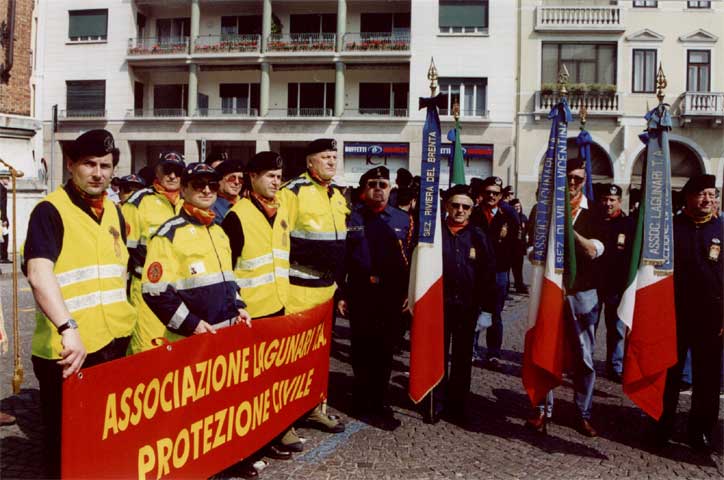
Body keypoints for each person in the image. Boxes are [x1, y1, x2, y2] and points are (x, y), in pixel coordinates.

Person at [23, 129, 137, 477]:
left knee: (104, 437)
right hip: (68, 351)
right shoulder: (49, 211)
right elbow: (39, 273)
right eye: (89, 164)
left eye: (105, 165)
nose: (98, 173)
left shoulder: (115, 212)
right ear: (71, 164)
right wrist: (67, 328)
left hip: (113, 344)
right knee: (66, 448)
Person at [140, 162, 264, 478]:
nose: (207, 190)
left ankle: (231, 458)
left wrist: (239, 305)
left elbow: (228, 278)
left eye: (211, 184)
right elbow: (155, 292)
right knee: (195, 414)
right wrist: (192, 325)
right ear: (183, 190)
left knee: (225, 406)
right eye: (198, 185)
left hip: (225, 339)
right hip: (191, 342)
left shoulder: (219, 231)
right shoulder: (168, 235)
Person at [222, 151, 301, 455]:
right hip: (251, 313)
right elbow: (227, 269)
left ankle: (277, 429)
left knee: (275, 376)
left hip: (279, 305)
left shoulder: (280, 212)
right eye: (270, 176)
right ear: (251, 178)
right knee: (252, 382)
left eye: (279, 177)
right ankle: (256, 440)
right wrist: (237, 305)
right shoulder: (236, 216)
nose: (276, 182)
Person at [525, 156, 605, 438]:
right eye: (568, 177)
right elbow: (532, 249)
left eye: (578, 179)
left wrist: (567, 233)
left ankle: (583, 413)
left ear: (585, 181)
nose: (572, 183)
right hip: (550, 290)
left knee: (584, 357)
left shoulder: (594, 211)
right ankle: (541, 409)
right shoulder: (542, 210)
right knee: (545, 347)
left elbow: (595, 250)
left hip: (582, 293)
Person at [280, 138, 348, 434]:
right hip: (299, 287)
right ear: (310, 162)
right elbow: (280, 240)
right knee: (293, 356)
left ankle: (315, 408)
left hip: (326, 289)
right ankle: (286, 419)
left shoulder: (337, 195)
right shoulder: (293, 192)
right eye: (325, 157)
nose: (332, 162)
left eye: (334, 156)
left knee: (319, 357)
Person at [337, 166, 412, 430]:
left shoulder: (404, 220)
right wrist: (342, 294)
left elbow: (412, 261)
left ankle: (379, 400)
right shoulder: (350, 218)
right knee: (360, 348)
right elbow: (342, 258)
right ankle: (361, 399)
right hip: (361, 292)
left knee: (384, 349)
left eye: (383, 184)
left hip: (391, 295)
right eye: (372, 184)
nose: (378, 189)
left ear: (390, 188)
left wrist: (408, 293)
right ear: (363, 190)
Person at [655, 174, 722, 452]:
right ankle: (660, 425)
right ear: (687, 198)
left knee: (707, 378)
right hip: (675, 313)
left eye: (712, 193)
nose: (708, 199)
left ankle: (701, 431)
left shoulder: (721, 229)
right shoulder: (671, 229)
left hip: (712, 318)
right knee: (669, 373)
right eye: (701, 194)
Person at [437, 184, 495, 423]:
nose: (459, 210)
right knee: (438, 356)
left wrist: (488, 310)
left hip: (467, 306)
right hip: (439, 305)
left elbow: (488, 273)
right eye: (455, 205)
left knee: (462, 358)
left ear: (472, 210)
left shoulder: (478, 235)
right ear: (446, 206)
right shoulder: (436, 233)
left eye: (465, 207)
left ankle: (458, 406)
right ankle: (436, 403)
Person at [122, 151, 185, 354]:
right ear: (157, 171)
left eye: (178, 171)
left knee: (175, 349)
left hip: (180, 291)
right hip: (147, 290)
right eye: (167, 170)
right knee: (147, 349)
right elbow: (123, 253)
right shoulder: (139, 202)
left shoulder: (187, 203)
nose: (173, 176)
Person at [472, 176, 519, 368]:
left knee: (495, 313)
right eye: (488, 192)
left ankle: (494, 353)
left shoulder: (508, 214)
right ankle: (471, 350)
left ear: (500, 195)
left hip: (499, 271)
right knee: (474, 310)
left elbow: (515, 244)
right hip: (476, 271)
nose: (491, 196)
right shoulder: (473, 213)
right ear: (482, 194)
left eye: (495, 193)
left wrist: (509, 267)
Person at [595, 184, 633, 383]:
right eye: (605, 199)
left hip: (615, 285)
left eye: (612, 200)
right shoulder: (594, 220)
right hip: (593, 283)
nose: (608, 203)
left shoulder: (628, 224)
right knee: (588, 326)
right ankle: (584, 364)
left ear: (619, 201)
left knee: (616, 329)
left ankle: (615, 366)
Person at [212, 159, 245, 224]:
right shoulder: (211, 208)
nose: (237, 182)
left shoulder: (247, 203)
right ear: (219, 181)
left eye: (240, 179)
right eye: (232, 178)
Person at [509, 198, 528, 294]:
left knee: (518, 267)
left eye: (518, 206)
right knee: (509, 268)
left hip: (520, 246)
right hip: (511, 246)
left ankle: (519, 284)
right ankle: (507, 285)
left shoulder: (523, 217)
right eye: (515, 207)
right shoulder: (509, 217)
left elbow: (527, 229)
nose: (517, 208)